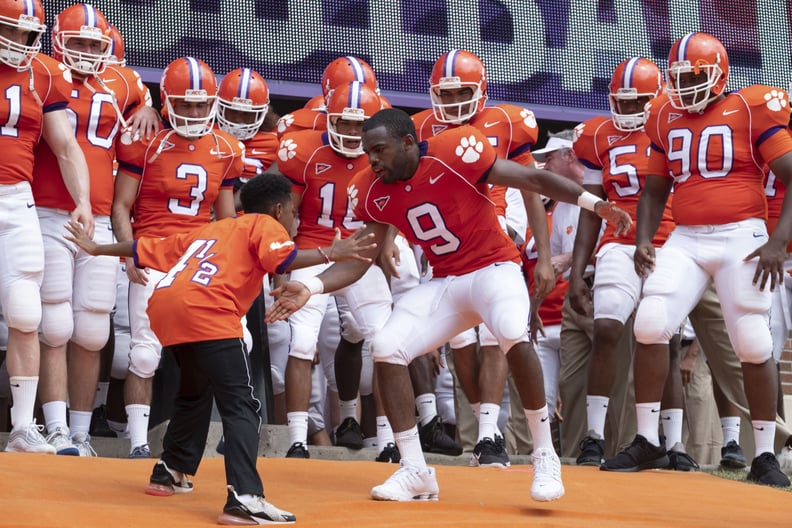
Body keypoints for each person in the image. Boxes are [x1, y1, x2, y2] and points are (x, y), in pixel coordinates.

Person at [267, 108, 632, 502]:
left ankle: (545, 454)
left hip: (494, 267)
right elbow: (361, 259)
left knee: (511, 331)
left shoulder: (454, 149)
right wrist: (315, 287)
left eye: (379, 150)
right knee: (387, 346)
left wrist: (596, 205)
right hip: (445, 280)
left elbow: (532, 178)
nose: (370, 160)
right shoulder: (369, 187)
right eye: (368, 152)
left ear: (408, 143)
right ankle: (414, 470)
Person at [64, 174, 375, 525]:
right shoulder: (265, 224)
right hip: (208, 310)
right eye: (292, 211)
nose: (294, 219)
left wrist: (97, 249)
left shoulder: (213, 229)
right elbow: (280, 259)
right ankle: (244, 497)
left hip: (166, 308)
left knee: (195, 391)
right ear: (278, 209)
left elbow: (143, 247)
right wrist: (328, 253)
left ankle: (171, 469)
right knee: (243, 404)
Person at [601, 32, 792, 487]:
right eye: (678, 77)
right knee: (651, 322)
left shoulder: (750, 107)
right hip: (686, 237)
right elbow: (655, 188)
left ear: (719, 72)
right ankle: (649, 440)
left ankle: (763, 455)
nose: (684, 85)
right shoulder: (664, 114)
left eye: (694, 76)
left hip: (740, 235)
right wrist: (645, 238)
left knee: (751, 340)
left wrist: (776, 242)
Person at [32, 2, 159, 457]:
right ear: (59, 42)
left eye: (94, 43)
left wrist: (151, 110)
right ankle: (55, 429)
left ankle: (82, 433)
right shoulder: (42, 71)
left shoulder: (122, 81)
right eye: (79, 42)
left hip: (102, 217)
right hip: (50, 209)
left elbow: (145, 105)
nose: (86, 51)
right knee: (55, 323)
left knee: (92, 330)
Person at [411, 49, 551, 464]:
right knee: (458, 337)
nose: (453, 103)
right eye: (446, 94)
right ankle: (483, 421)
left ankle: (488, 433)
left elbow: (530, 187)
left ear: (482, 90)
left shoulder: (507, 122)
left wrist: (542, 256)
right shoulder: (419, 128)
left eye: (462, 93)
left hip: (495, 230)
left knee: (496, 333)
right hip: (445, 239)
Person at [568, 57, 696, 470]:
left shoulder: (674, 125)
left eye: (635, 102)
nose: (625, 111)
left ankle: (672, 445)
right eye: (619, 103)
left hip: (670, 243)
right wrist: (576, 274)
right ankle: (594, 438)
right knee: (607, 328)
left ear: (656, 96)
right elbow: (590, 210)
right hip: (619, 243)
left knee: (667, 342)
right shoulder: (595, 136)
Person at [112, 56, 239, 459]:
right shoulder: (144, 139)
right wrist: (129, 250)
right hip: (152, 251)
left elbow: (227, 219)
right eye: (186, 104)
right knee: (145, 352)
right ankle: (136, 441)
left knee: (235, 344)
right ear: (166, 101)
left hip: (198, 260)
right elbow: (121, 205)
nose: (195, 112)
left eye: (202, 105)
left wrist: (228, 264)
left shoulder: (225, 147)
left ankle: (226, 430)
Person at [279, 81, 394, 459]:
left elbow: (393, 205)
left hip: (361, 256)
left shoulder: (381, 156)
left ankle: (389, 440)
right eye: (342, 123)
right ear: (327, 119)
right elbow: (286, 214)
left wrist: (388, 244)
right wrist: (281, 266)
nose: (349, 133)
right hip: (315, 252)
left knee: (385, 342)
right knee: (300, 342)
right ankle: (297, 439)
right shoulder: (305, 152)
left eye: (357, 125)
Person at [0, 0, 93, 454]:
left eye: (25, 34)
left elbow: (65, 146)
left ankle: (21, 429)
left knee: (25, 311)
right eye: (8, 31)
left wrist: (83, 201)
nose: (18, 43)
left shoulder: (46, 72)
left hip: (17, 200)